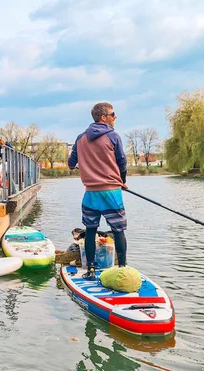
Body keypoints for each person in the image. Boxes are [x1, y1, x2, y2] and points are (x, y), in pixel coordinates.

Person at [68, 102, 128, 281]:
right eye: (112, 114)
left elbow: (71, 164)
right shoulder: (113, 136)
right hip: (111, 193)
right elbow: (122, 161)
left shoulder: (80, 138)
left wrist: (80, 163)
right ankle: (123, 268)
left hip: (90, 194)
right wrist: (122, 181)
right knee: (118, 230)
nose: (115, 117)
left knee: (91, 230)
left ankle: (91, 269)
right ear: (103, 117)